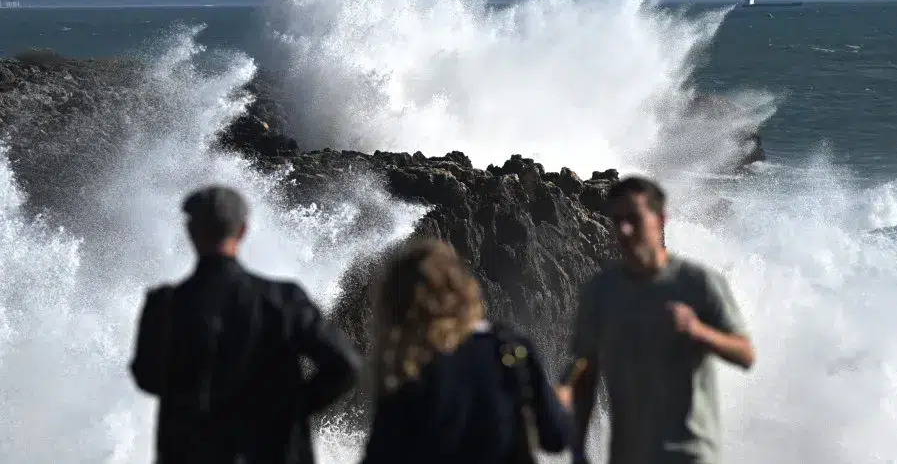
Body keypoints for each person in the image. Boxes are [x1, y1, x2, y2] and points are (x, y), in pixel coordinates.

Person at [128, 185, 362, 464]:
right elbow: (345, 365)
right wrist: (289, 410)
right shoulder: (283, 300)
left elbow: (147, 377)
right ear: (242, 231)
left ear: (191, 234)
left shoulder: (163, 305)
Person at [563, 176, 755, 464]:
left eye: (634, 219)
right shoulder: (600, 291)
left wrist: (698, 331)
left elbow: (745, 354)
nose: (625, 230)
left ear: (661, 219)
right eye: (617, 221)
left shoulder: (698, 283)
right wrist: (577, 450)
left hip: (690, 454)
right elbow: (586, 374)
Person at [360, 238, 573, 464]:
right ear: (463, 289)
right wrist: (561, 403)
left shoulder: (410, 367)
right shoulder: (510, 350)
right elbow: (555, 438)